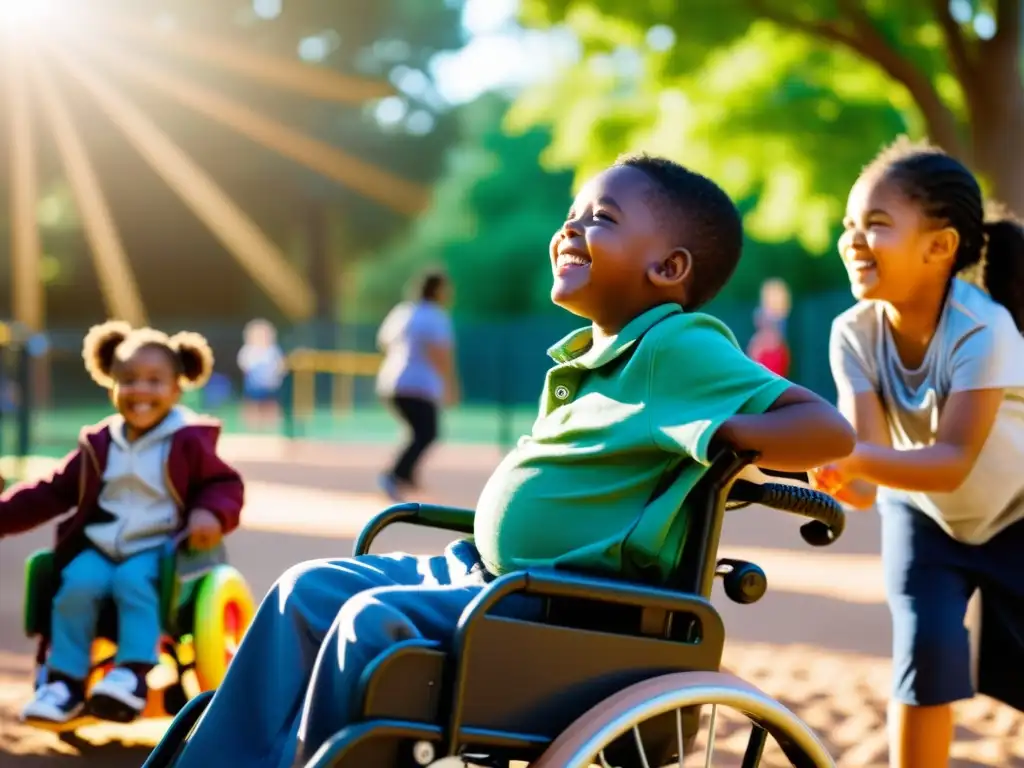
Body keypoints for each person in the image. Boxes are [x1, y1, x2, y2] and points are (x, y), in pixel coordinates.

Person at [166, 154, 855, 768]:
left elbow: (827, 430)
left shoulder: (678, 346)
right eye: (572, 215)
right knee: (304, 589)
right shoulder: (592, 359)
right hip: (484, 577)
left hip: (557, 607)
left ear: (669, 268)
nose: (571, 229)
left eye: (602, 218)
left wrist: (721, 431)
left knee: (370, 622)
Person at [808, 137, 1024, 768]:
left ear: (940, 247)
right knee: (925, 648)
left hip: (1016, 514)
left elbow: (953, 457)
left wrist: (854, 461)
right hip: (924, 517)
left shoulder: (983, 329)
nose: (853, 239)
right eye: (849, 225)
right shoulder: (852, 332)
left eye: (876, 225)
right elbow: (869, 472)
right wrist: (838, 477)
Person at [0, 321, 245, 726]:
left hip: (162, 548)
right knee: (74, 584)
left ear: (177, 388)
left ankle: (131, 674)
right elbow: (52, 491)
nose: (141, 391)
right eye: (128, 379)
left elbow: (223, 484)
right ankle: (64, 683)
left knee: (134, 582)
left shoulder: (188, 440)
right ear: (110, 382)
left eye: (155, 381)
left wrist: (209, 513)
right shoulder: (100, 444)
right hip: (102, 545)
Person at [375, 270, 458, 500]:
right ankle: (394, 475)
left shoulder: (403, 312)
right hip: (417, 386)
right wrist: (450, 384)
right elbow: (440, 354)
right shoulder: (436, 316)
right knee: (427, 433)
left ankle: (406, 475)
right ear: (438, 290)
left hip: (391, 382)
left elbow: (383, 341)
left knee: (419, 432)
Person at [237, 318, 286, 429]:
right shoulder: (249, 350)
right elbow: (244, 365)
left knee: (270, 403)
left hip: (270, 384)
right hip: (254, 383)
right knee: (252, 403)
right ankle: (252, 424)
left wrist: (277, 374)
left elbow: (280, 364)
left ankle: (270, 424)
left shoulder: (273, 350)